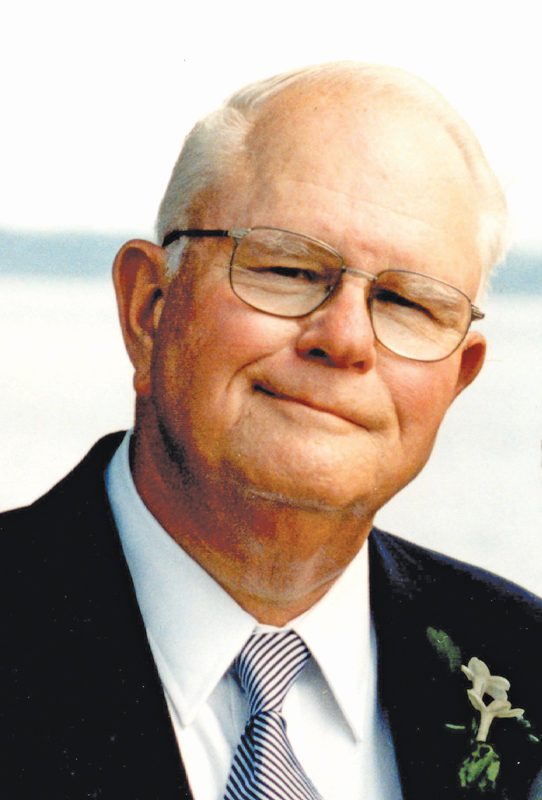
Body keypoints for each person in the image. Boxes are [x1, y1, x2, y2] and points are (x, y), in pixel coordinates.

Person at [1, 62, 540, 800]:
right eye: (286, 268)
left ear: (458, 377)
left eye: (409, 304)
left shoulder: (525, 667)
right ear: (150, 308)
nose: (345, 338)